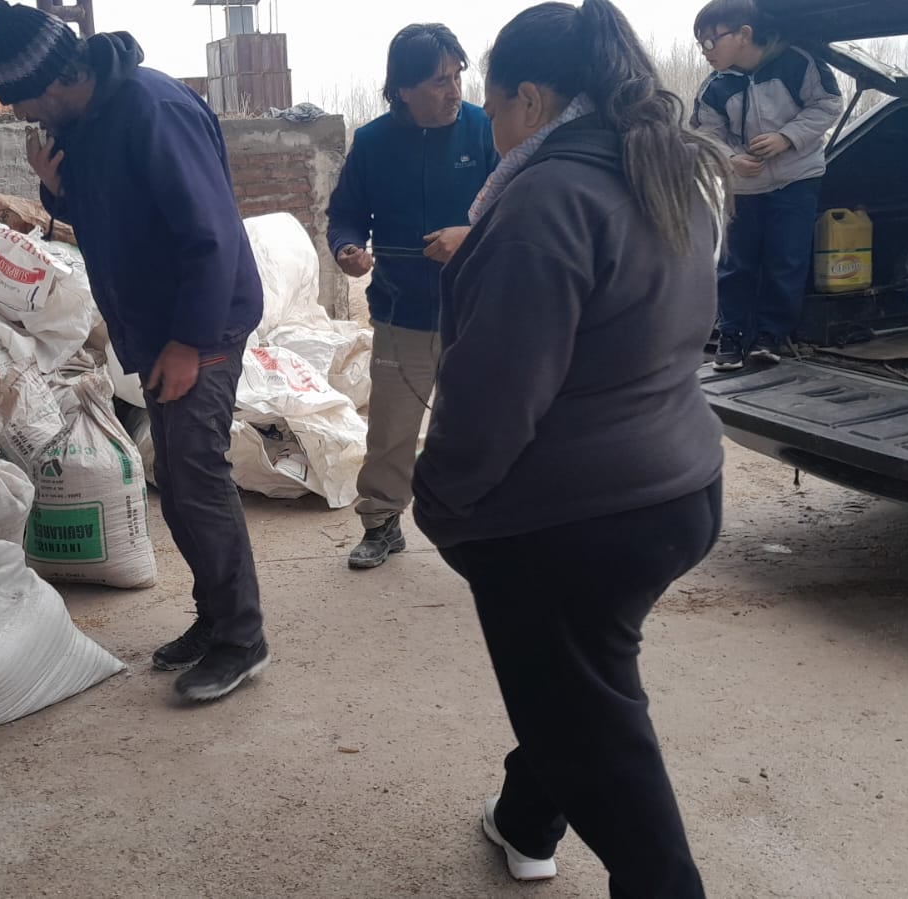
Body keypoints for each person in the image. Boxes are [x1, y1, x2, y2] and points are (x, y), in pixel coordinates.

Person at [412, 0, 731, 894]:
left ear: (532, 97)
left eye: (494, 101)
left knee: (596, 729)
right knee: (580, 685)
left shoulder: (546, 198)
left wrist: (440, 500)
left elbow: (494, 394)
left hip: (575, 516)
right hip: (679, 485)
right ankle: (524, 820)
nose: (492, 122)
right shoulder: (664, 170)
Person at [0, 0, 267, 702]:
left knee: (196, 479)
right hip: (161, 327)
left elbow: (212, 237)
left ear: (53, 82)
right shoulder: (90, 120)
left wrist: (187, 345)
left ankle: (241, 639)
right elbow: (112, 212)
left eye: (21, 103)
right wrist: (56, 187)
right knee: (178, 477)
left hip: (200, 327)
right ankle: (216, 618)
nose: (24, 118)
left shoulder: (150, 110)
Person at [326, 24, 498, 570]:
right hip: (403, 311)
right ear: (402, 88)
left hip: (481, 310)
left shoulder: (485, 131)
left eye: (457, 77)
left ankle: (488, 522)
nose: (454, 92)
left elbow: (523, 208)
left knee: (483, 421)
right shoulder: (373, 142)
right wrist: (347, 247)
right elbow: (346, 213)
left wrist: (468, 237)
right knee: (392, 428)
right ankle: (381, 523)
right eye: (439, 81)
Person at [692, 0, 843, 371]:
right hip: (743, 187)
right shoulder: (714, 85)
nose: (705, 52)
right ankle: (731, 335)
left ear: (744, 34)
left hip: (796, 179)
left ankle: (770, 337)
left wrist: (787, 138)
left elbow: (827, 104)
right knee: (735, 263)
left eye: (711, 42)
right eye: (700, 45)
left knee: (786, 259)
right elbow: (705, 134)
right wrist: (730, 160)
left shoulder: (796, 63)